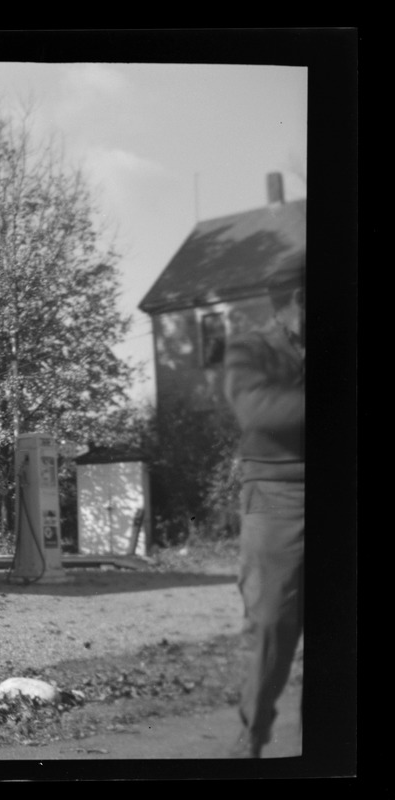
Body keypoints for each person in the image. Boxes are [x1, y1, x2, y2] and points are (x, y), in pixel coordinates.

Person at [223, 259, 305, 758]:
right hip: (277, 495)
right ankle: (251, 739)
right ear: (295, 300)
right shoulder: (250, 348)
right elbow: (257, 410)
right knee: (272, 620)